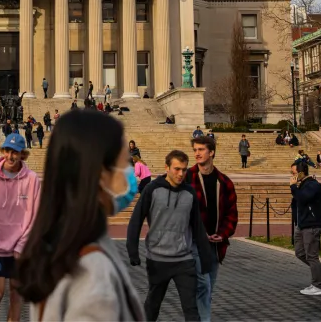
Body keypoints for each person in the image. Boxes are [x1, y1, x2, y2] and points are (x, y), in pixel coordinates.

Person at [14, 109, 145, 321]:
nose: (131, 173)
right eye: (125, 162)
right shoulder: (93, 274)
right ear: (101, 174)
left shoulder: (53, 248)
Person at [127, 150, 212, 321]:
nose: (181, 174)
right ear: (166, 168)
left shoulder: (189, 193)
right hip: (157, 260)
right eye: (177, 169)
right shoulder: (152, 190)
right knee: (152, 306)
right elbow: (136, 220)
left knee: (191, 309)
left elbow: (198, 227)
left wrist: (205, 258)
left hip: (184, 260)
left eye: (184, 169)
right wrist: (133, 252)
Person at [0, 133, 41, 322]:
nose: (11, 156)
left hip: (20, 247)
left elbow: (35, 214)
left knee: (16, 295)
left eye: (15, 152)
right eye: (7, 151)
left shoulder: (32, 179)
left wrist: (22, 245)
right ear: (2, 151)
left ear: (23, 154)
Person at [188, 135, 238, 322]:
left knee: (208, 288)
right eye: (195, 150)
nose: (197, 153)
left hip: (216, 246)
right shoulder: (187, 178)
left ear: (212, 152)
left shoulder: (224, 182)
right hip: (193, 243)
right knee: (203, 285)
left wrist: (223, 234)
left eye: (201, 150)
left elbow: (232, 214)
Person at [289, 160, 321, 295]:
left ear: (301, 173)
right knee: (300, 252)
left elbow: (302, 199)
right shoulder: (302, 185)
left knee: (311, 256)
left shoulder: (313, 185)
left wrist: (293, 187)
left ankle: (317, 286)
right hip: (302, 224)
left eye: (293, 173)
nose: (292, 176)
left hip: (312, 225)